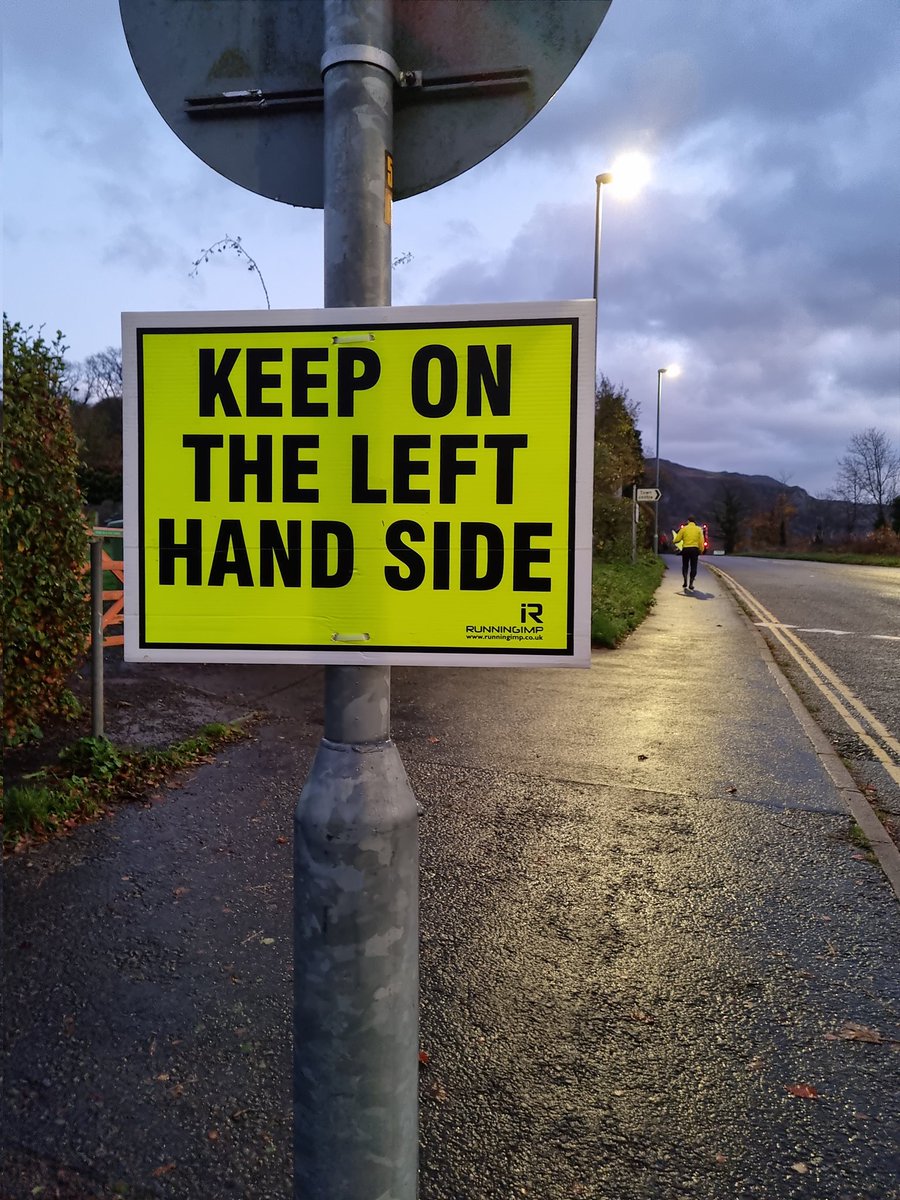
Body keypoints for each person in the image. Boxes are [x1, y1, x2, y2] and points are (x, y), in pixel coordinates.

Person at [673, 517, 705, 590]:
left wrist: (674, 541)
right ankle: (691, 583)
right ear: (694, 522)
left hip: (686, 549)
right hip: (694, 550)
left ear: (688, 521)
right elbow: (701, 541)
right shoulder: (698, 529)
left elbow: (677, 539)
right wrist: (701, 550)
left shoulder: (684, 529)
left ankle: (685, 581)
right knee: (693, 566)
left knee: (685, 565)